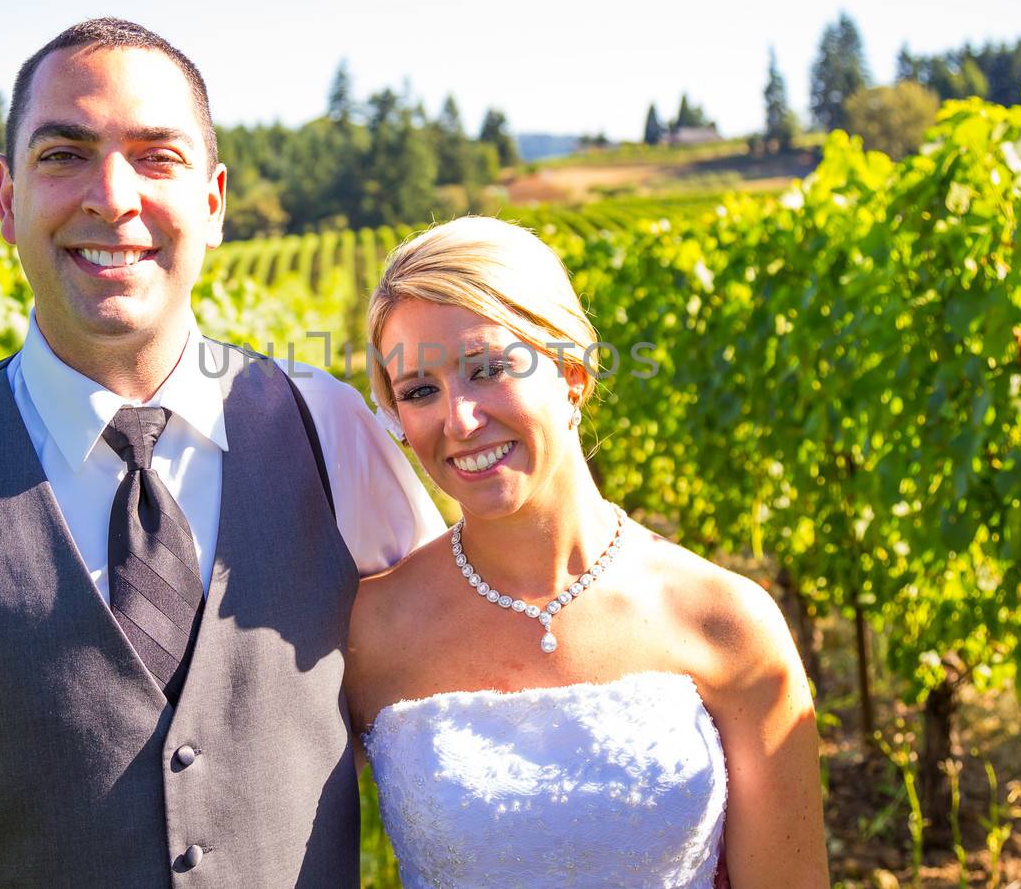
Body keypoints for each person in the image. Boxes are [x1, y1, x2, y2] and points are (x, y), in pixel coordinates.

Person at [0, 18, 442, 888]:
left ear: (215, 202)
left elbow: (461, 682)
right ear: (6, 199)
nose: (111, 196)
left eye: (156, 156)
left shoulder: (334, 434)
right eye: (63, 155)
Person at [345, 216, 829, 888]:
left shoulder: (728, 623)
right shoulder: (368, 631)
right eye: (421, 390)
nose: (457, 419)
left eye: (487, 369)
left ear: (571, 373)